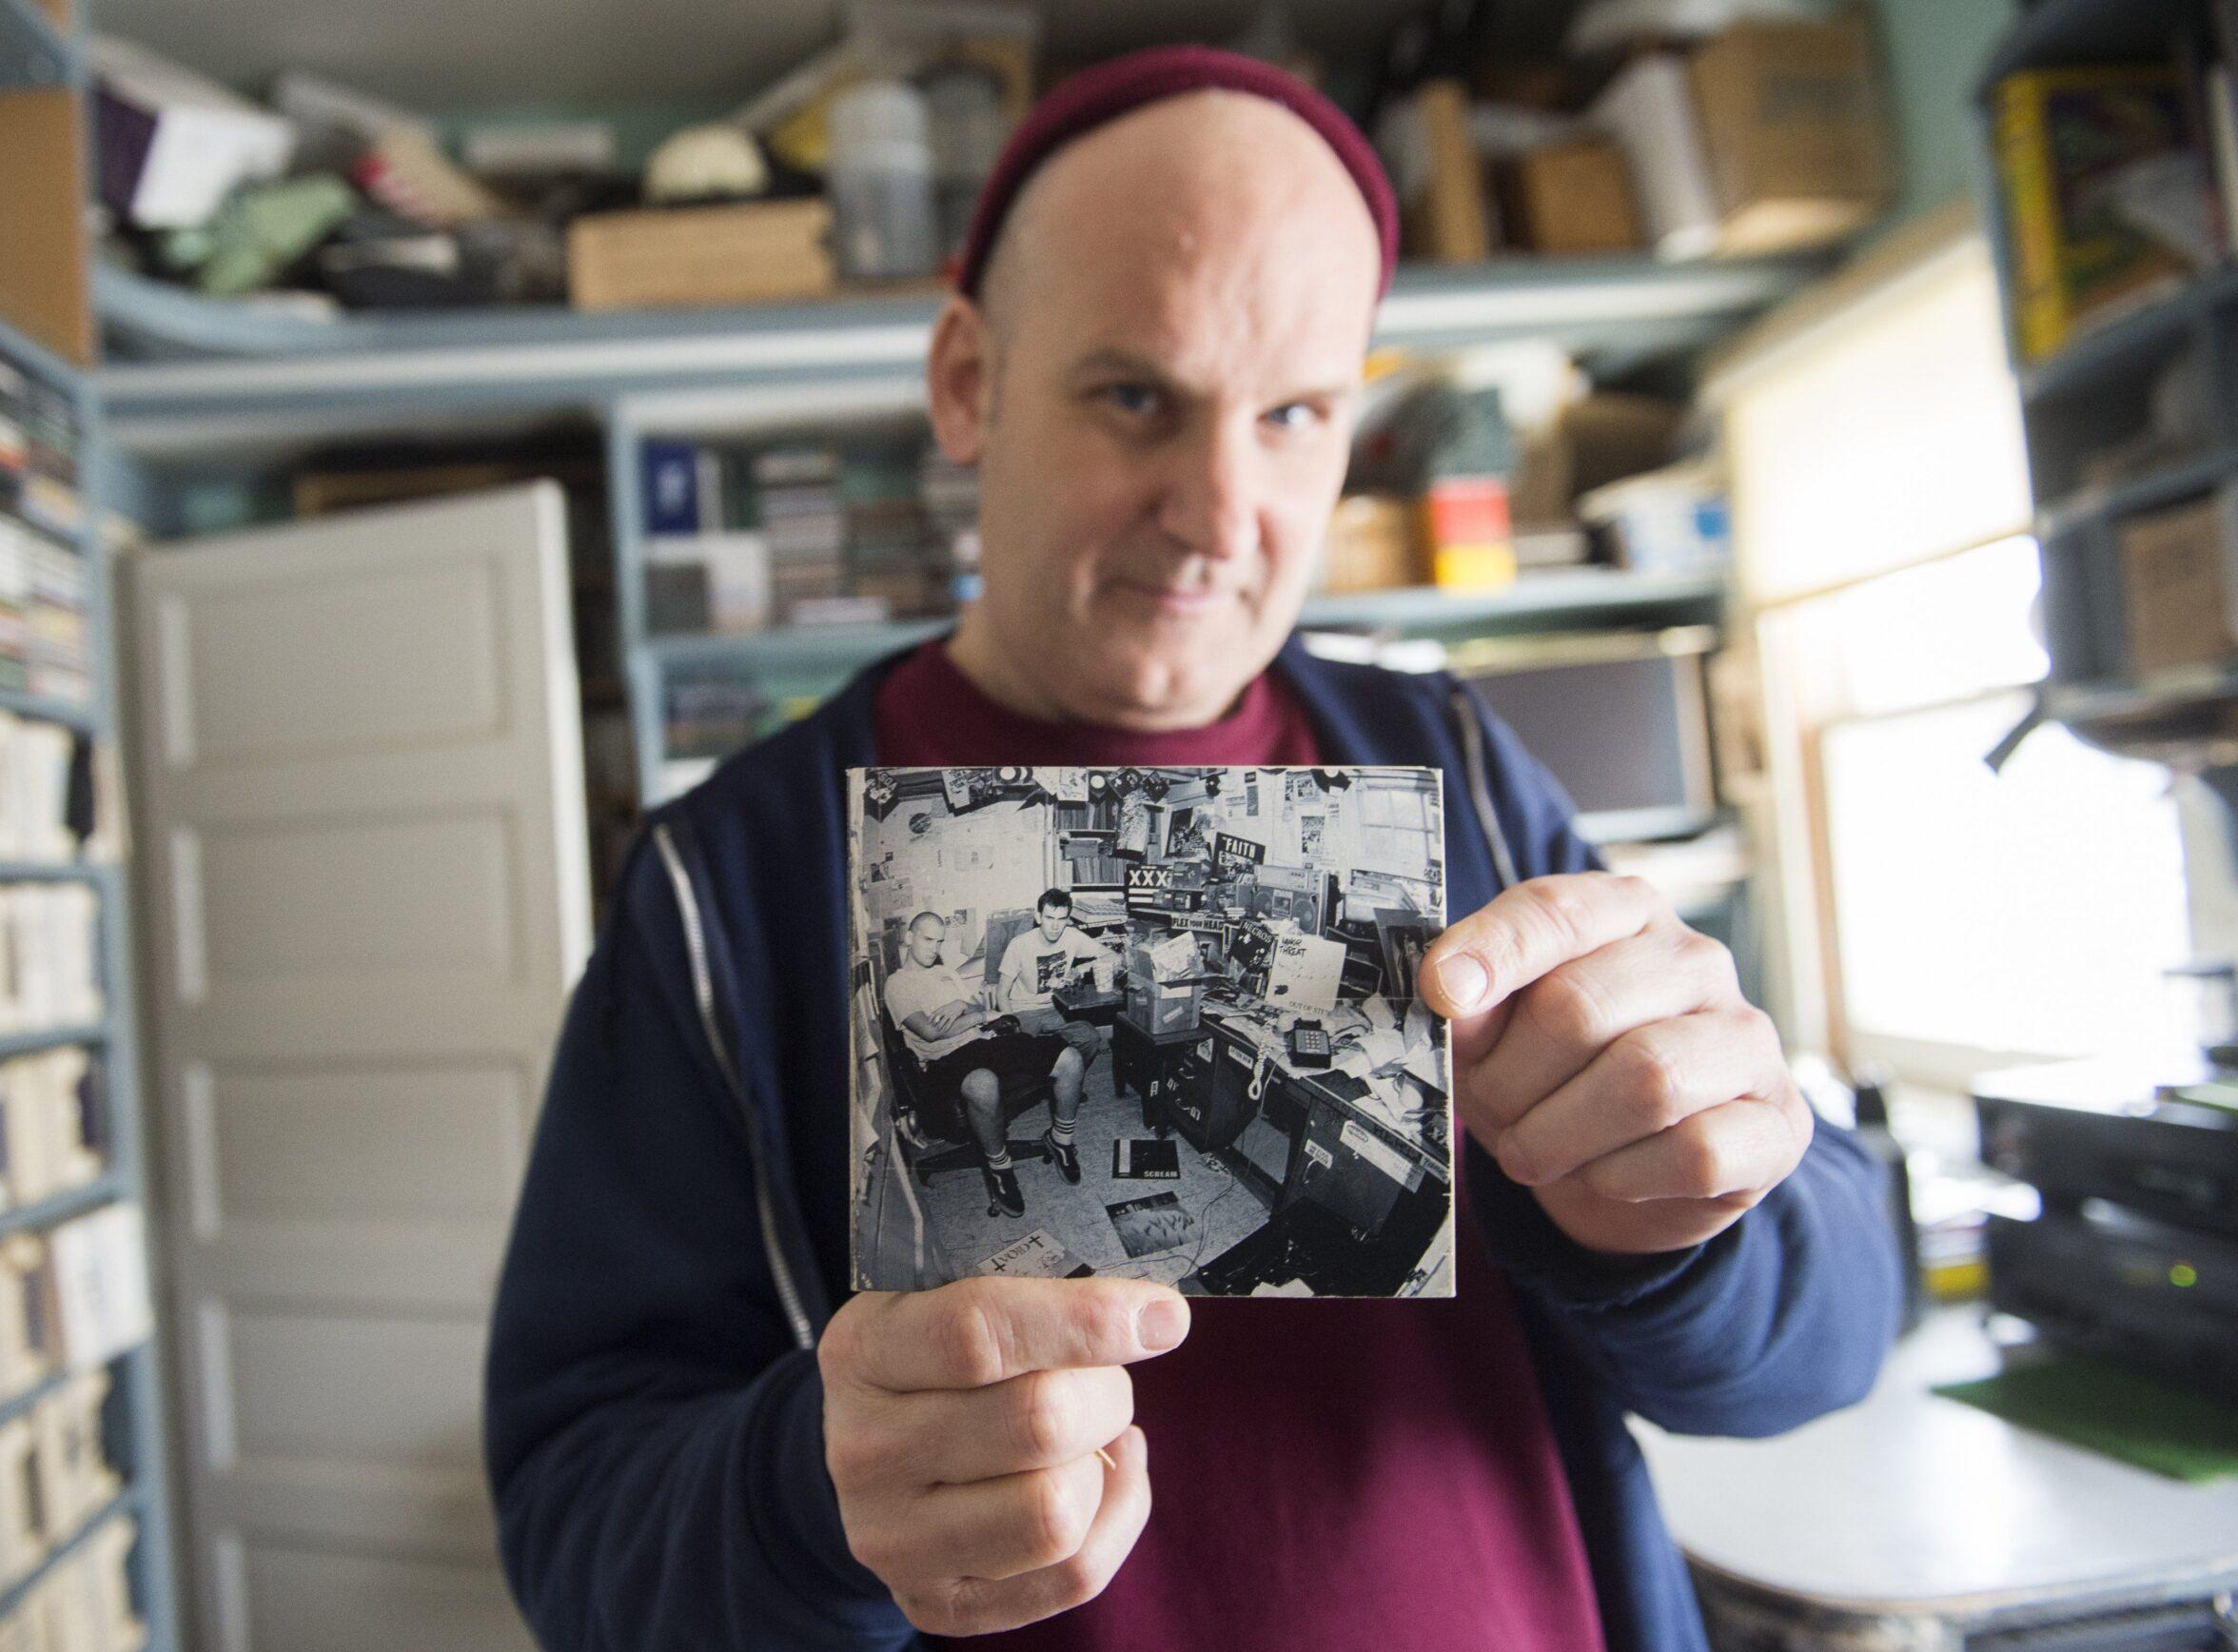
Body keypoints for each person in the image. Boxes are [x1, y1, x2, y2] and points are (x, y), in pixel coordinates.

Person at [485, 44, 1900, 1652]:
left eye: (1294, 413)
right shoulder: (723, 887)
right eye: (1137, 397)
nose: (1223, 512)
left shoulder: (1461, 770)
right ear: (967, 384)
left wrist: (1699, 1210)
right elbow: (575, 1523)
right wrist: (805, 1499)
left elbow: (1831, 1336)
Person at [885, 908, 1086, 1214]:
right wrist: (976, 1016)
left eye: (939, 942)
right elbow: (930, 1032)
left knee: (1069, 1058)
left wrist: (960, 1005)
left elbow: (977, 1008)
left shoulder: (946, 973)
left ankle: (1061, 1139)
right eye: (928, 940)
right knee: (982, 1083)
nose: (934, 948)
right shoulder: (898, 984)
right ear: (909, 938)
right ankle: (1000, 1167)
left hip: (982, 1043)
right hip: (942, 1060)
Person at [993, 887, 1115, 1094]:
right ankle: (1044, 1084)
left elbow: (1112, 956)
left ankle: (1068, 1082)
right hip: (1023, 1011)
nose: (1055, 926)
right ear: (1038, 917)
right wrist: (1013, 1028)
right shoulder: (1019, 945)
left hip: (1057, 1009)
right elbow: (1001, 993)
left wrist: (1082, 968)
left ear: (1068, 919)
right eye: (1050, 918)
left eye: (1062, 919)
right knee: (1019, 1054)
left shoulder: (1072, 936)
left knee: (1090, 1038)